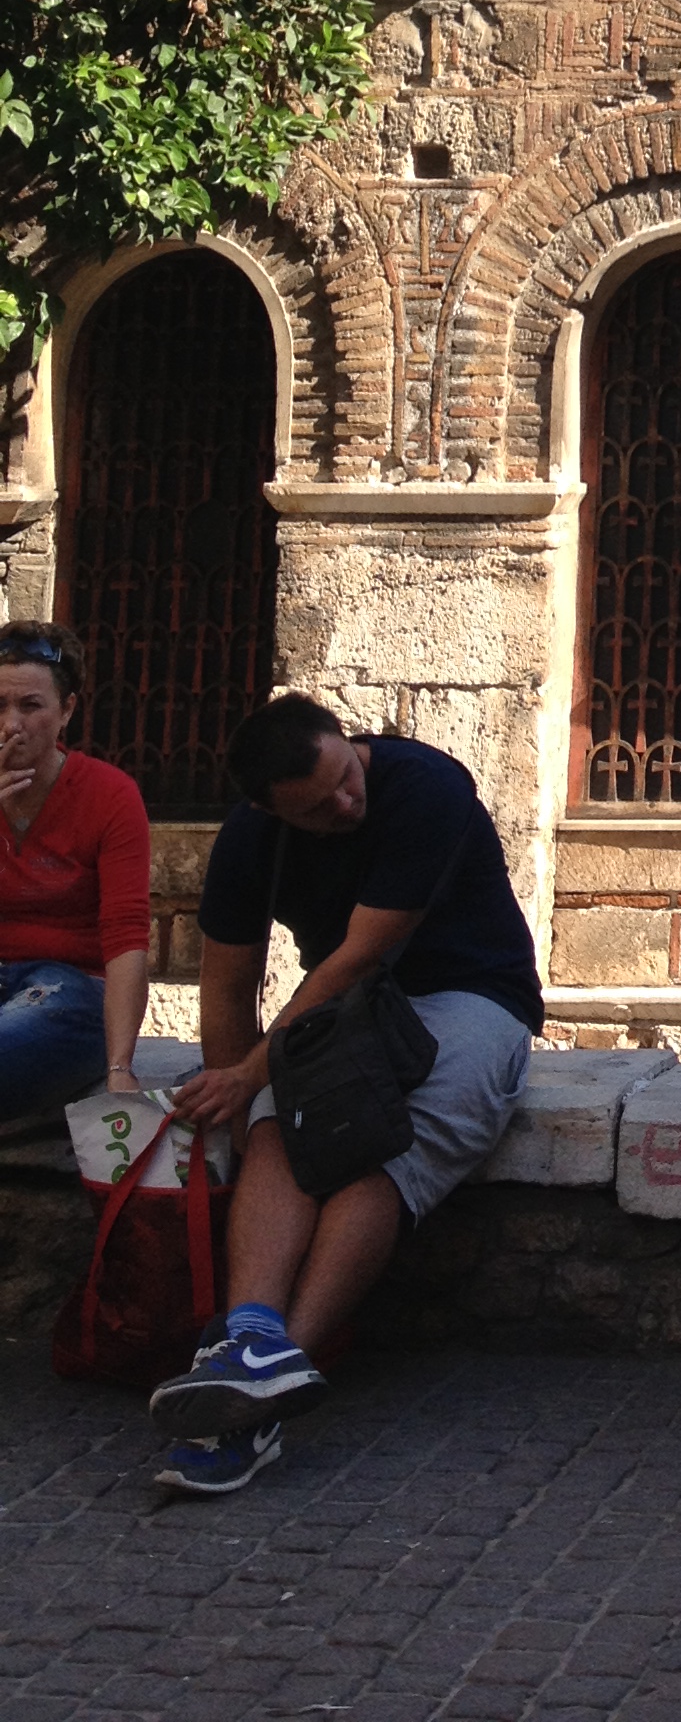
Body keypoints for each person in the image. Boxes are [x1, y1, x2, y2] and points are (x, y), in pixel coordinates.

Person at [147, 696, 544, 1498]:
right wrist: (239, 1099)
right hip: (347, 1013)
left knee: (377, 1142)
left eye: (343, 779)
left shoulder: (426, 789)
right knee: (278, 1130)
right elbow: (226, 989)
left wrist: (253, 1072)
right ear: (271, 811)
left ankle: (262, 1394)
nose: (343, 804)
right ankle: (252, 1338)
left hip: (469, 995)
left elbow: (358, 960)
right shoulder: (251, 838)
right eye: (318, 809)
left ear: (345, 739)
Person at [0, 626, 150, 1119]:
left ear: (66, 711)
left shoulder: (109, 795)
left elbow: (126, 935)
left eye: (30, 706)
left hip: (70, 986)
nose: (10, 725)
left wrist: (119, 1066)